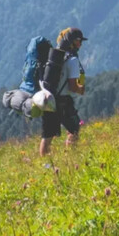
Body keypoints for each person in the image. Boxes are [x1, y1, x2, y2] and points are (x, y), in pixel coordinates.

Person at [40, 27, 86, 158]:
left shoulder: (54, 58)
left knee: (47, 136)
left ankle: (44, 164)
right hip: (64, 102)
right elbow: (72, 86)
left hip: (49, 99)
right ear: (71, 42)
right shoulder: (72, 60)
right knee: (74, 129)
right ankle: (71, 158)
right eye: (78, 41)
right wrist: (80, 88)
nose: (80, 44)